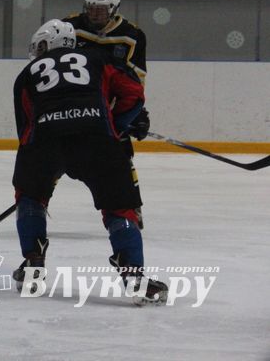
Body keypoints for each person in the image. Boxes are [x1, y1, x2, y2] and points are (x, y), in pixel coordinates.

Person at [10, 19, 167, 304]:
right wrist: (117, 124)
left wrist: (35, 179)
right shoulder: (99, 59)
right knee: (120, 206)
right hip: (97, 141)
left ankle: (33, 264)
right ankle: (134, 276)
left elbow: (26, 129)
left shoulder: (26, 74)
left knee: (30, 198)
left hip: (45, 142)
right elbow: (134, 94)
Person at [64, 0, 150, 227]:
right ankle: (36, 199)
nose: (94, 14)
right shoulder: (70, 26)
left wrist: (136, 112)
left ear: (114, 9)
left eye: (100, 10)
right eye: (91, 9)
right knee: (54, 151)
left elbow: (136, 79)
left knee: (122, 154)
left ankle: (132, 205)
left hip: (107, 109)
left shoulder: (132, 36)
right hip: (71, 104)